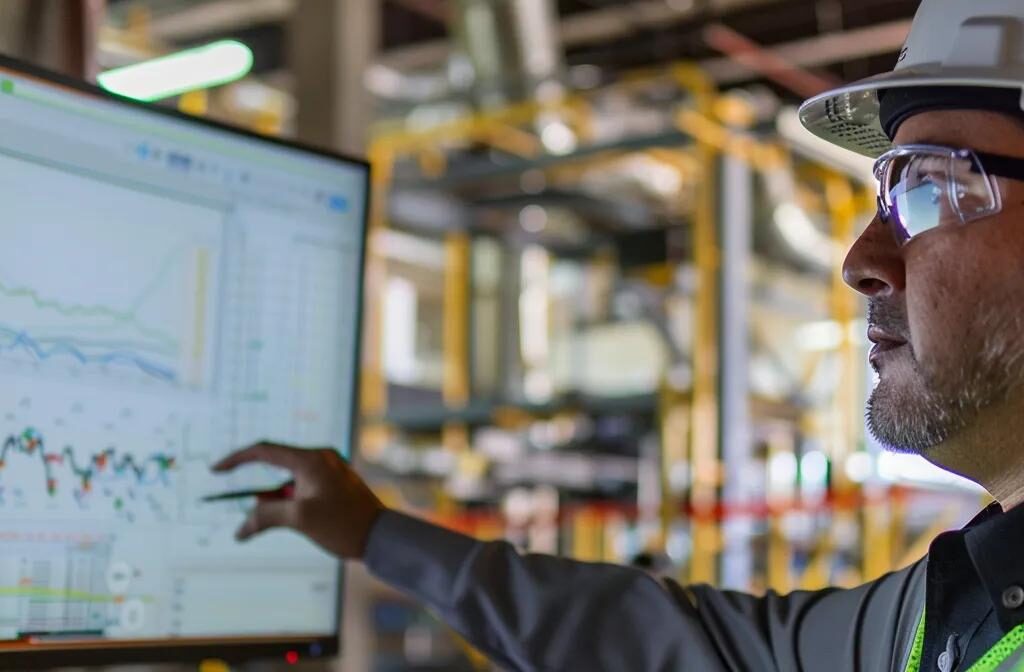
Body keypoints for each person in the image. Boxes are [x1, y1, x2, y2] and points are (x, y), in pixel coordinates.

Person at [214, 0, 1024, 669]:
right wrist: (375, 533)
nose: (862, 261)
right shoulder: (955, 610)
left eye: (933, 186)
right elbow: (698, 646)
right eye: (886, 195)